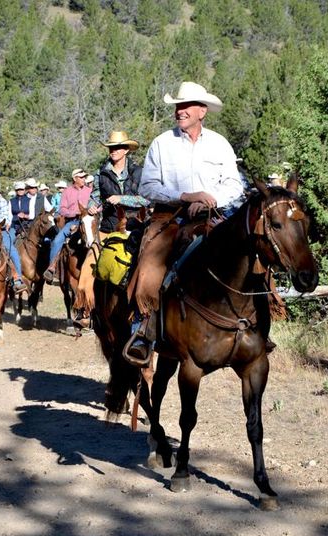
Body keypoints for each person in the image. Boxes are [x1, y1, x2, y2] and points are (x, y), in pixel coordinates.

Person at [128, 81, 244, 360]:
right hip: (169, 218)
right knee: (149, 268)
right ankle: (142, 330)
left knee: (250, 257)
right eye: (178, 106)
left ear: (202, 111)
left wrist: (209, 199)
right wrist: (186, 197)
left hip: (213, 216)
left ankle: (255, 324)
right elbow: (148, 187)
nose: (180, 111)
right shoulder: (161, 144)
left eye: (186, 106)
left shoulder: (220, 144)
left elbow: (234, 185)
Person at [73, 130, 148, 328]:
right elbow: (96, 196)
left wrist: (122, 199)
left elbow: (147, 198)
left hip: (136, 226)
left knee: (148, 264)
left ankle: (148, 313)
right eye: (111, 148)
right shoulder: (101, 172)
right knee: (89, 265)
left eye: (117, 148)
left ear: (126, 150)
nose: (113, 151)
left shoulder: (139, 172)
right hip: (108, 226)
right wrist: (92, 204)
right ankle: (86, 310)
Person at [43, 168, 92, 284]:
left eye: (85, 177)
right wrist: (74, 213)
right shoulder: (67, 192)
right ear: (75, 178)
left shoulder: (90, 191)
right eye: (81, 177)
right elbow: (62, 210)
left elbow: (97, 205)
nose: (84, 179)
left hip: (88, 220)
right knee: (57, 241)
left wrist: (92, 210)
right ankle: (52, 268)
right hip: (72, 221)